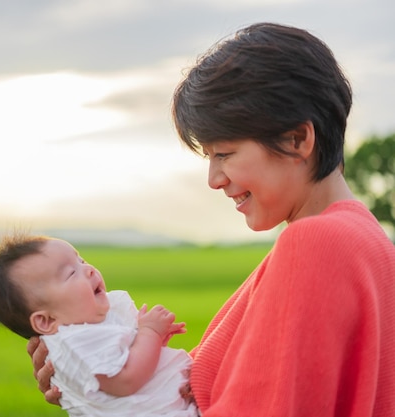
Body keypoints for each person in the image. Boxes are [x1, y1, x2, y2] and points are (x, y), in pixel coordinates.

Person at [28, 22, 395, 416]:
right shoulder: (369, 243)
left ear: (297, 140)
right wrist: (106, 384)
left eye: (225, 153)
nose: (214, 179)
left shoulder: (316, 245)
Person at [0, 233, 200, 417]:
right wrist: (149, 333)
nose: (90, 270)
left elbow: (130, 361)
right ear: (46, 321)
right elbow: (126, 381)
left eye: (82, 261)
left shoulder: (91, 328)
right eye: (71, 273)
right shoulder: (76, 342)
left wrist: (148, 340)